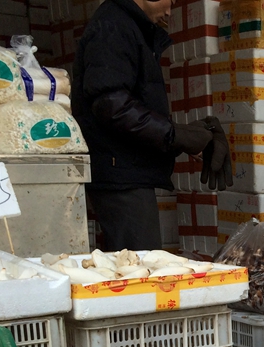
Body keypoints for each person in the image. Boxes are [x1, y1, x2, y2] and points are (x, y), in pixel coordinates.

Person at [72, 0, 232, 252]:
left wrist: (190, 136)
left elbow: (126, 104)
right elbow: (111, 105)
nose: (169, 11)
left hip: (126, 170)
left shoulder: (127, 26)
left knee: (139, 264)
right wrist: (173, 135)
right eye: (169, 0)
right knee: (139, 270)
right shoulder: (113, 27)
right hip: (119, 173)